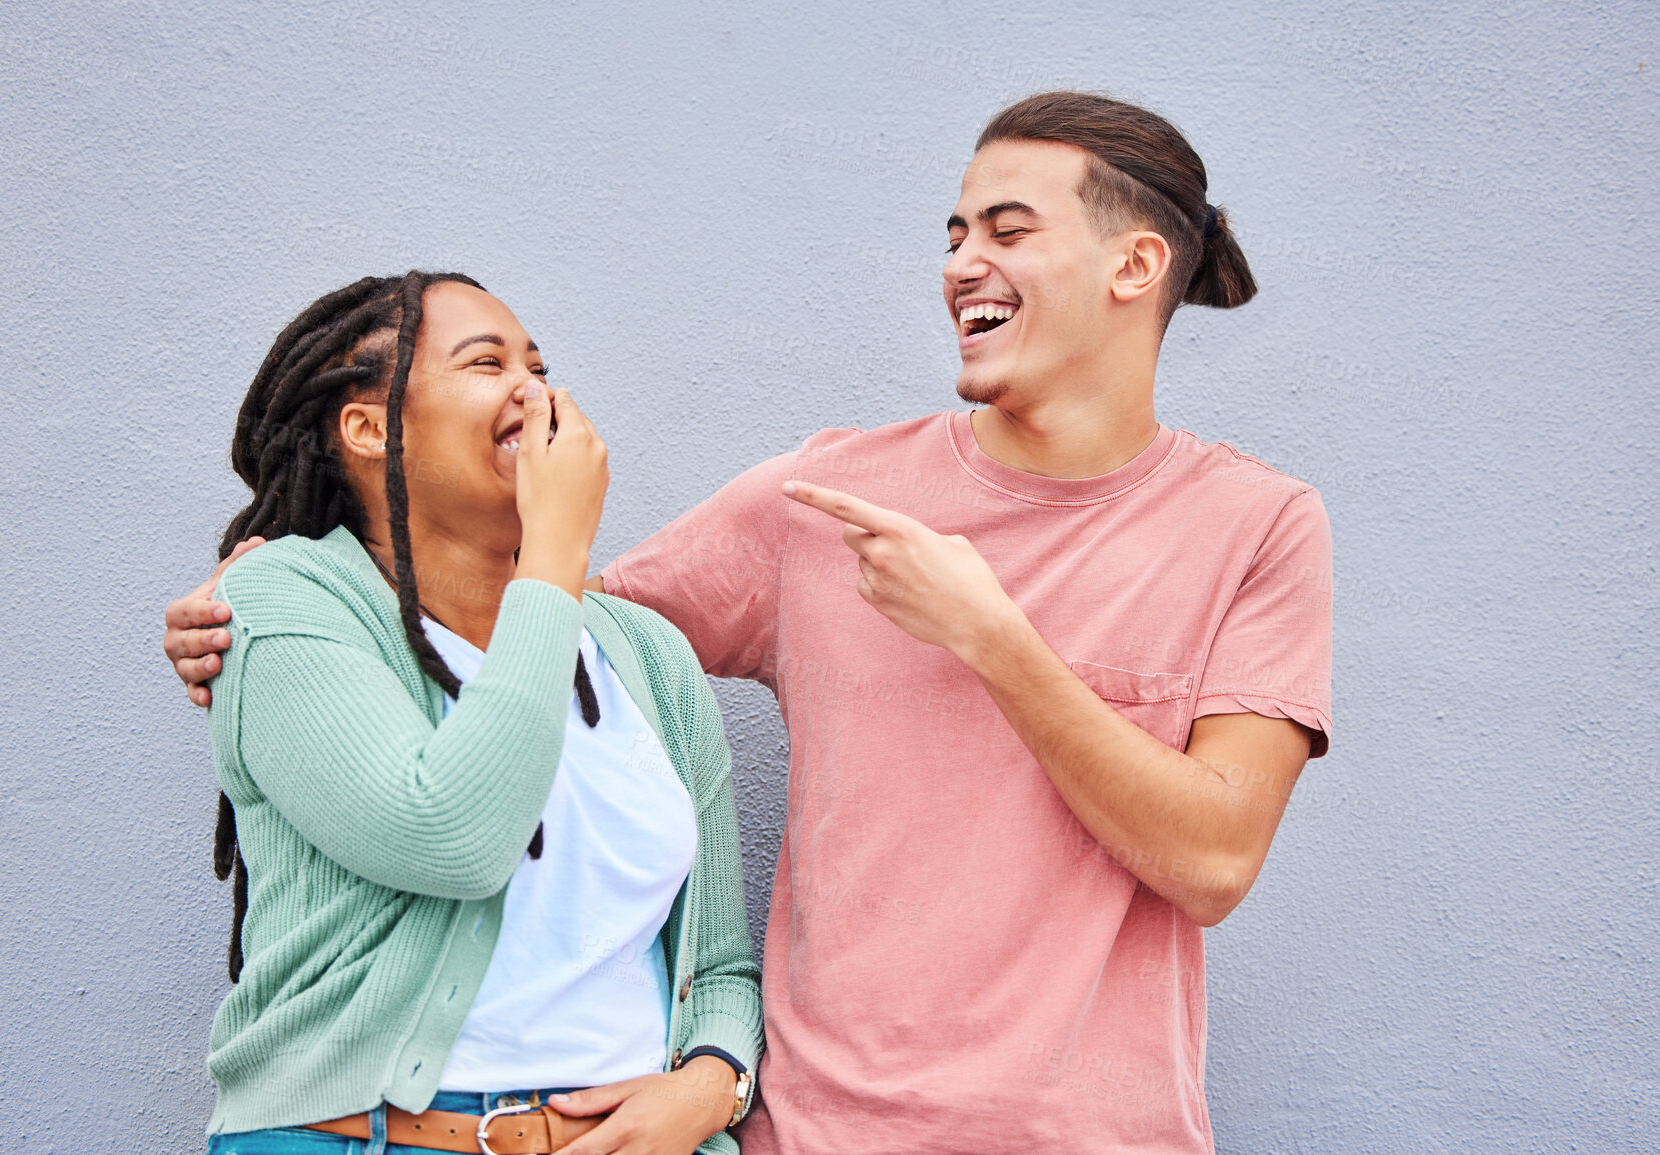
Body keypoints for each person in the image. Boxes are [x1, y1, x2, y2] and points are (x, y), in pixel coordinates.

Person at [170, 92, 1332, 1153]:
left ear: (1137, 264)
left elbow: (1214, 859)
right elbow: (547, 652)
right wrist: (289, 590)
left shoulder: (1258, 525)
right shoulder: (817, 504)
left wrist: (994, 639)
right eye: (953, 233)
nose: (959, 263)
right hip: (815, 1138)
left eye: (1007, 231)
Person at [188, 272, 761, 1155]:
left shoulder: (647, 657)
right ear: (370, 429)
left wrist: (713, 1082)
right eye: (486, 362)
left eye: (539, 364)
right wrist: (556, 549)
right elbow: (450, 834)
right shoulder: (285, 600)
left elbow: (717, 961)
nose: (533, 389)